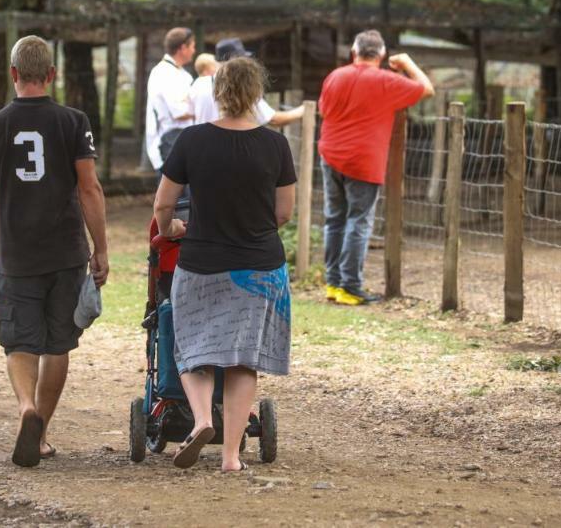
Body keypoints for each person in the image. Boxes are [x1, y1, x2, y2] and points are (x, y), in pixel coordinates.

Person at [0, 35, 109, 468]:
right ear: (52, 75)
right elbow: (89, 188)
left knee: (19, 343)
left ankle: (25, 409)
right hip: (66, 253)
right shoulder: (74, 122)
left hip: (16, 254)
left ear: (13, 74)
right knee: (58, 345)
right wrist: (100, 248)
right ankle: (42, 431)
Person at [153, 56, 295, 473]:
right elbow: (283, 213)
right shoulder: (276, 145)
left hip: (201, 263)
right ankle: (231, 456)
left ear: (217, 92)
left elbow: (163, 202)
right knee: (242, 359)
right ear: (257, 94)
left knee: (192, 347)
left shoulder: (191, 140)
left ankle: (200, 421)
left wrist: (172, 227)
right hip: (259, 268)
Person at [318, 29, 434, 305]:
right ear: (382, 55)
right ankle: (351, 286)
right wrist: (407, 64)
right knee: (358, 221)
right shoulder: (386, 81)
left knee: (334, 219)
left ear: (354, 52)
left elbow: (324, 110)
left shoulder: (335, 76)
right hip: (363, 160)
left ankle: (332, 283)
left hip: (330, 154)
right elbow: (427, 89)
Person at [187, 36, 304, 128]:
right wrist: (302, 111)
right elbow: (273, 119)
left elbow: (189, 114)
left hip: (201, 145)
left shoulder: (198, 84)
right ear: (236, 61)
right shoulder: (241, 88)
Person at [146, 27, 197, 173]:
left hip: (181, 138)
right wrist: (202, 108)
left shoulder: (180, 73)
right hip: (170, 140)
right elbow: (180, 111)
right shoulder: (165, 73)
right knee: (177, 195)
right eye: (192, 46)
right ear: (183, 47)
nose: (194, 50)